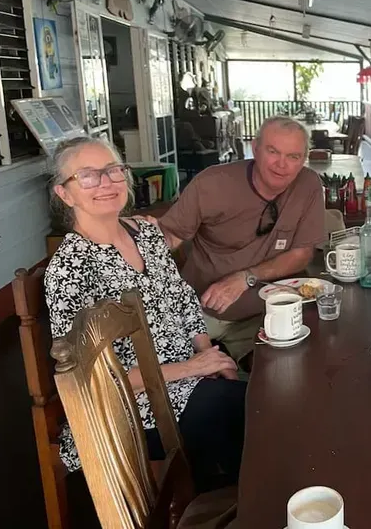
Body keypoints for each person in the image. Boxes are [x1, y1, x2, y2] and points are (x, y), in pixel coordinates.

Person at [44, 136, 246, 494]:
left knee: (253, 394)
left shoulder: (147, 233)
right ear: (65, 194)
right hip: (130, 406)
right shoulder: (70, 267)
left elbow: (184, 300)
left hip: (188, 376)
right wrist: (194, 369)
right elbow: (92, 379)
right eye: (88, 176)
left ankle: (235, 496)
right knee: (238, 410)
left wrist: (209, 354)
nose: (106, 183)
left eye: (113, 171)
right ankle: (225, 505)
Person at [156, 116, 326, 361]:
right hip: (209, 313)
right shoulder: (213, 184)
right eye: (273, 151)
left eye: (293, 157)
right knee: (167, 364)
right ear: (255, 148)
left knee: (314, 359)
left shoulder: (308, 184)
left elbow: (301, 254)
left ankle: (236, 358)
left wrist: (245, 277)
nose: (282, 165)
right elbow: (170, 236)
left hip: (275, 310)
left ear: (304, 159)